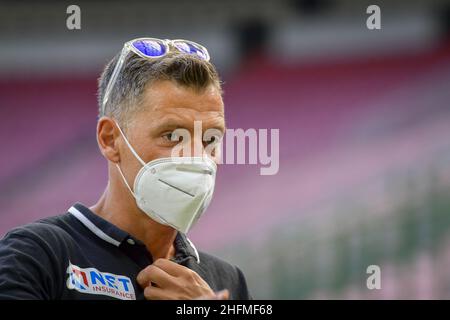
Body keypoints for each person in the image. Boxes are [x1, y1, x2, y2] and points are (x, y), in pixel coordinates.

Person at [0, 38, 251, 300]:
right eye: (173, 135)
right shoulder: (36, 254)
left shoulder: (228, 281)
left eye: (211, 139)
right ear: (110, 139)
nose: (198, 156)